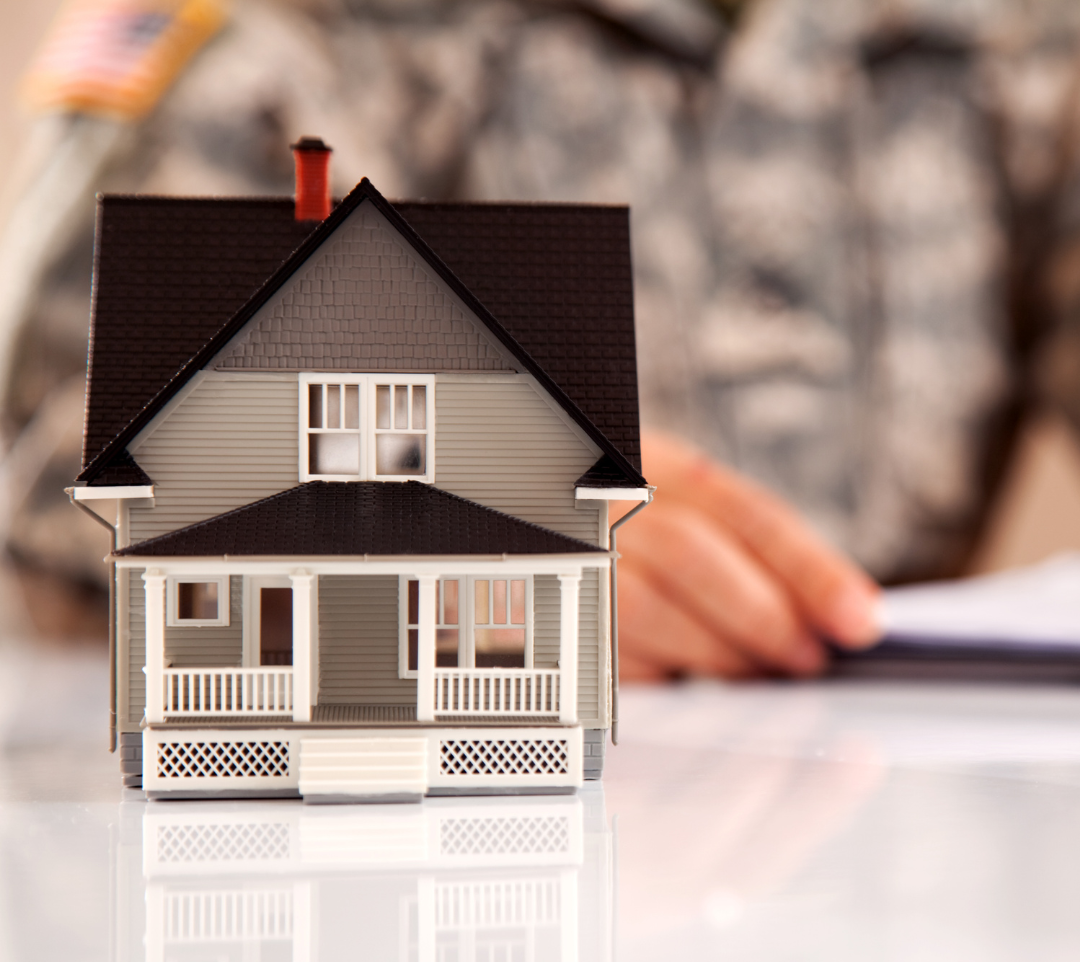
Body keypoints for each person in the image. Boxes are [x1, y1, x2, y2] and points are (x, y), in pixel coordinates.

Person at [2, 0, 1079, 675]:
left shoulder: (1015, 40)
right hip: (387, 891)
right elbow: (57, 431)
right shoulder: (297, 26)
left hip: (882, 896)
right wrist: (437, 501)